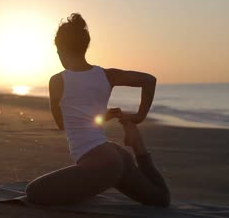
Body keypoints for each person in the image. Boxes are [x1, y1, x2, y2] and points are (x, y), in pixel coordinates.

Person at [25, 13, 170, 207]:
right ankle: (139, 148)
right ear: (85, 47)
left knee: (33, 192)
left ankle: (99, 179)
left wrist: (96, 116)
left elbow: (62, 124)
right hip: (116, 155)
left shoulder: (57, 81)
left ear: (61, 51)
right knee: (160, 199)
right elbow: (149, 80)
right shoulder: (107, 75)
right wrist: (139, 117)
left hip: (100, 163)